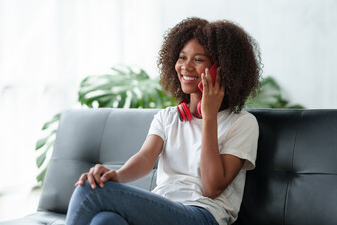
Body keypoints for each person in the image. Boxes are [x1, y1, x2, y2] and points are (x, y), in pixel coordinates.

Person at [65, 17, 262, 225]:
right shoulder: (168, 117)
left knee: (89, 190)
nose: (186, 67)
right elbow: (145, 158)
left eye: (198, 59)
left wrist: (209, 115)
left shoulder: (242, 123)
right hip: (164, 207)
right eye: (182, 57)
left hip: (203, 215)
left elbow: (211, 187)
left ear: (221, 69)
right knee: (105, 221)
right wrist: (118, 175)